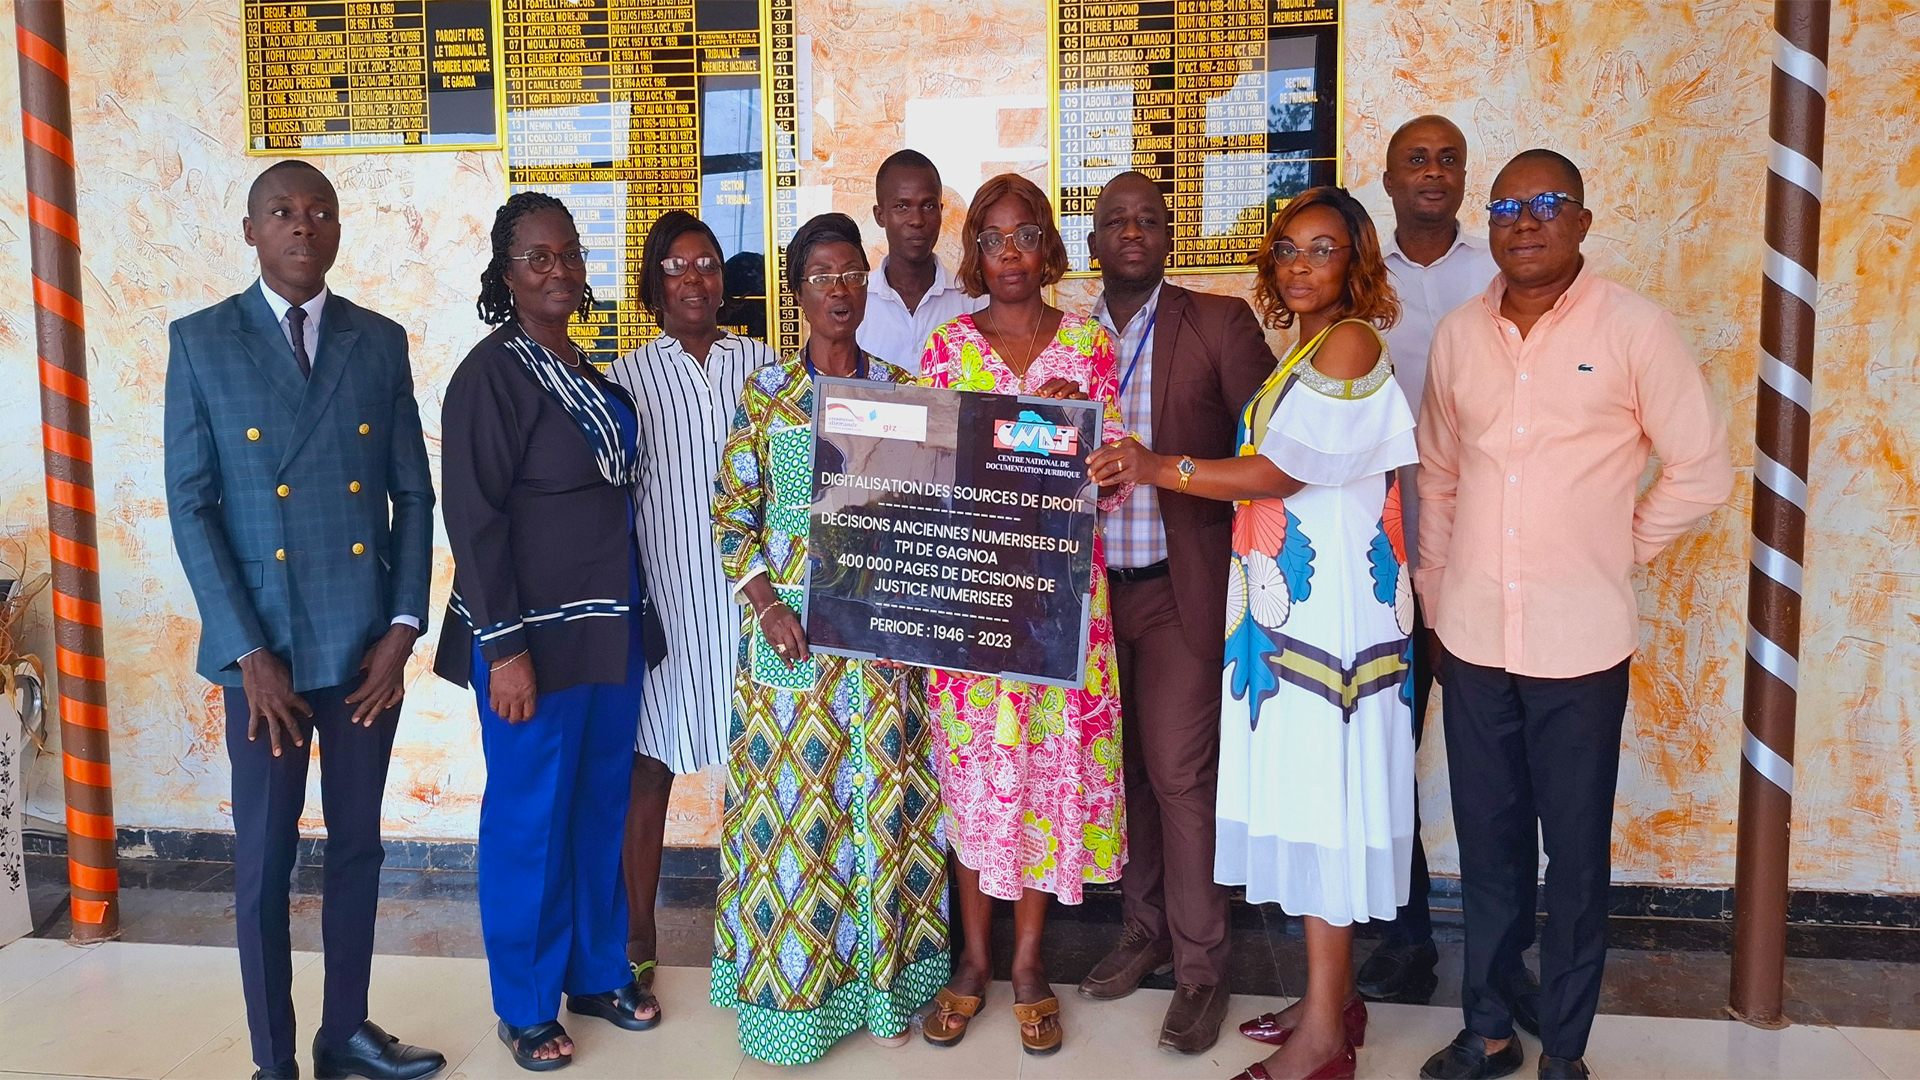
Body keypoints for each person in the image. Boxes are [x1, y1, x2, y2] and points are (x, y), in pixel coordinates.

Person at [1413, 151, 1733, 1080]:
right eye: (1506, 206)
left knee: (1577, 857)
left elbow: (1703, 469)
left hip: (1581, 644)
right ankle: (1489, 1031)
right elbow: (1439, 478)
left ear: (1583, 221)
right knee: (1488, 845)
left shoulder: (1634, 327)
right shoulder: (1460, 337)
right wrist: (1436, 599)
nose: (1525, 221)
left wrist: (1622, 545)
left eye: (1547, 203)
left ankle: (1567, 1051)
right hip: (1473, 634)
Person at [1090, 185, 1416, 1080]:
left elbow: (1280, 471)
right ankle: (1327, 1001)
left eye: (1322, 249)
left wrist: (1158, 466)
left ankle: (1323, 1042)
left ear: (1356, 260)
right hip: (1293, 613)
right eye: (1288, 249)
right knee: (1310, 805)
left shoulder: (1350, 341)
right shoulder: (1307, 349)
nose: (1301, 265)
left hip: (1333, 622)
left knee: (1325, 808)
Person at [164, 160, 443, 1080]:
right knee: (263, 861)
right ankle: (273, 1060)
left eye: (320, 211)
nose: (302, 225)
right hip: (267, 655)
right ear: (251, 231)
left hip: (363, 648)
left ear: (338, 230)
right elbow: (191, 506)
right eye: (282, 211)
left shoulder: (377, 339)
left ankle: (345, 1035)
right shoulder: (201, 342)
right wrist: (246, 650)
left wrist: (402, 628)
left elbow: (412, 494)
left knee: (360, 846)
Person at [708, 212, 950, 1064]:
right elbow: (731, 517)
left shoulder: (904, 391)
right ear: (797, 295)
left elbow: (937, 515)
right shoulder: (767, 395)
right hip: (793, 652)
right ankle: (794, 1006)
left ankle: (890, 992)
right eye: (821, 278)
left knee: (884, 811)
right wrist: (767, 605)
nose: (839, 290)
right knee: (796, 827)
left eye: (851, 274)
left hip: (881, 656)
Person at [437, 192, 665, 1072]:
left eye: (569, 253)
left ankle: (597, 973)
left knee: (599, 806)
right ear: (506, 273)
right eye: (539, 257)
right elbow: (474, 520)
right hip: (529, 643)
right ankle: (526, 1005)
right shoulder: (490, 376)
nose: (559, 270)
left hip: (606, 633)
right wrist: (505, 651)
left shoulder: (582, 367)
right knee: (530, 819)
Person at [915, 173, 1131, 1057]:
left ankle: (1031, 962)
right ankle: (973, 960)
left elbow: (1113, 478)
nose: (1010, 253)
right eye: (993, 237)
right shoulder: (944, 349)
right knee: (974, 782)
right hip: (972, 607)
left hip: (1060, 609)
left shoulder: (1089, 345)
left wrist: (1101, 462)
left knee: (1045, 778)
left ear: (1048, 246)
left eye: (1026, 234)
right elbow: (923, 479)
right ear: (976, 252)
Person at [1073, 171, 1275, 1054]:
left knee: (1183, 776)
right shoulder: (1068, 337)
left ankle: (1201, 969)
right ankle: (1143, 930)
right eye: (1114, 221)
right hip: (1088, 601)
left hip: (1177, 590)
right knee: (1126, 774)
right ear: (1091, 244)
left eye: (1148, 220)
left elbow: (1271, 456)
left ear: (1167, 237)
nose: (1131, 232)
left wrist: (1168, 467)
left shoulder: (1219, 323)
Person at [1354, 115, 1524, 1015]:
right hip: (1380, 563)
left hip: (1481, 559)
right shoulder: (1358, 281)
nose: (1433, 172)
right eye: (1415, 159)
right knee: (1386, 756)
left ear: (1465, 178)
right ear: (1387, 179)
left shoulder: (1499, 278)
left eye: (1448, 159)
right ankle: (1406, 935)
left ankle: (1507, 957)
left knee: (1497, 770)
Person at [605, 210, 775, 1016]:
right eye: (675, 267)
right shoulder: (627, 378)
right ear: (654, 285)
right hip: (668, 601)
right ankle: (636, 937)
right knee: (649, 768)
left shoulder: (764, 363)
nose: (695, 278)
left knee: (763, 766)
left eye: (706, 262)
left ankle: (766, 936)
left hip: (758, 599)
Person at [855, 149, 985, 372]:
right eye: (902, 207)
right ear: (880, 216)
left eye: (928, 206)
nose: (916, 220)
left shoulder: (973, 300)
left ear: (941, 212)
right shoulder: (858, 303)